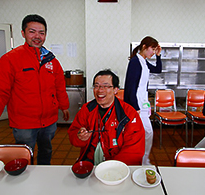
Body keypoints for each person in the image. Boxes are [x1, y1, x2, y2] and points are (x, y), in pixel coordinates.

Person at [0, 14, 70, 165]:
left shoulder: (52, 60)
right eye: (32, 31)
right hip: (24, 123)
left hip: (49, 121)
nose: (37, 36)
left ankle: (44, 174)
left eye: (41, 32)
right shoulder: (10, 59)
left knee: (46, 150)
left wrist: (64, 106)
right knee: (24, 154)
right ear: (23, 33)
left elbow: (60, 86)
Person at [68, 69, 145, 165]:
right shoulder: (87, 109)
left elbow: (134, 151)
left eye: (106, 86)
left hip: (118, 164)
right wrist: (80, 137)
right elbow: (73, 134)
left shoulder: (128, 114)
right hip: (90, 161)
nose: (100, 90)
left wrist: (112, 167)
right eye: (96, 86)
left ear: (115, 90)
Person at [124, 36, 162, 165]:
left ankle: (143, 159)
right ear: (144, 47)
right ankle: (142, 159)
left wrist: (159, 55)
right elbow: (130, 87)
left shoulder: (143, 61)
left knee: (144, 133)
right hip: (137, 104)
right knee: (147, 132)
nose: (153, 52)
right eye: (152, 49)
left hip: (142, 103)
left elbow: (158, 69)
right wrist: (135, 108)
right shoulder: (135, 62)